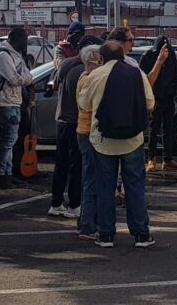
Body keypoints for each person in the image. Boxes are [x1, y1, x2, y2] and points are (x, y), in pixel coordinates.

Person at [81, 41, 156, 248]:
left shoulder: (96, 75)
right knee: (135, 187)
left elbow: (84, 104)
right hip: (132, 139)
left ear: (101, 58)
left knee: (105, 187)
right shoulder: (136, 74)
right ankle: (141, 234)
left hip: (103, 140)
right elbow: (150, 103)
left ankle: (105, 235)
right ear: (122, 55)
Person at [49, 35, 103, 218]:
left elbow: (55, 85)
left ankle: (56, 203)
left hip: (62, 118)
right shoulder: (83, 72)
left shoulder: (66, 65)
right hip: (75, 122)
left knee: (61, 164)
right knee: (76, 165)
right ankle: (74, 204)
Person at [0, 27, 33, 188]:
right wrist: (25, 79)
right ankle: (2, 174)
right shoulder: (4, 55)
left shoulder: (17, 55)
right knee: (8, 141)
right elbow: (13, 79)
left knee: (13, 140)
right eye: (23, 39)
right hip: (5, 102)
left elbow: (28, 76)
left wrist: (24, 78)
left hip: (15, 101)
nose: (25, 42)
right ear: (13, 39)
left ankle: (9, 172)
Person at [74, 43, 104, 241]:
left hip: (85, 131)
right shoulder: (89, 79)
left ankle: (88, 222)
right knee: (92, 178)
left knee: (91, 177)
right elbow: (90, 105)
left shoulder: (84, 77)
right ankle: (87, 225)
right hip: (88, 132)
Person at [140, 37, 177, 172]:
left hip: (168, 98)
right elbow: (144, 78)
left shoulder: (172, 58)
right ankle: (151, 159)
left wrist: (176, 92)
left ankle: (168, 159)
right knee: (153, 131)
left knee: (168, 130)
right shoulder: (149, 56)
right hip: (155, 99)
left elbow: (176, 77)